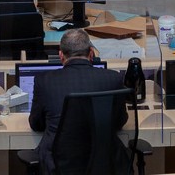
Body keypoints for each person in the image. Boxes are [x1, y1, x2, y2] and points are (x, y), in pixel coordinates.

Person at [29, 29, 128, 175]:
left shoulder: (44, 81)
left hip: (58, 166)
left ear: (61, 55)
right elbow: (119, 121)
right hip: (105, 164)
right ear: (92, 53)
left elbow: (36, 124)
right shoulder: (114, 79)